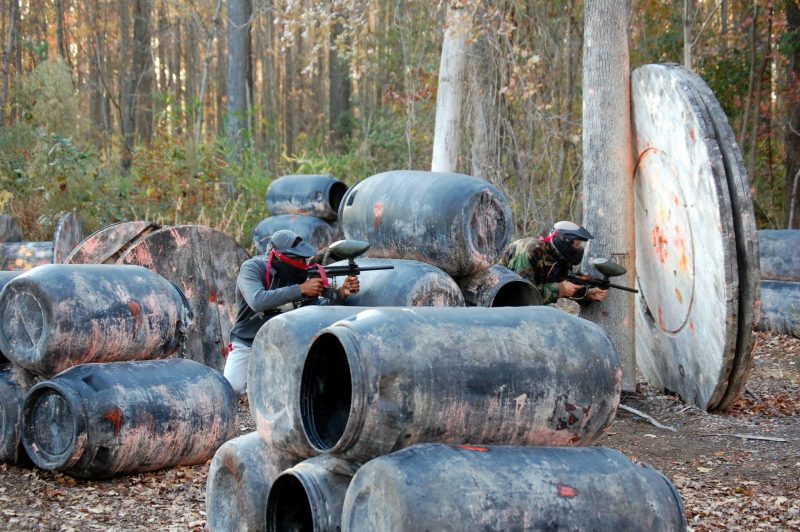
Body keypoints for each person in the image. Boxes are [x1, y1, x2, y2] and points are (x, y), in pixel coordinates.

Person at [223, 229, 359, 395]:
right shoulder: (252, 268)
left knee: (289, 390)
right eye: (298, 259)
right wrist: (301, 289)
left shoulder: (299, 278)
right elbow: (257, 301)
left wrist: (341, 293)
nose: (303, 263)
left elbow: (317, 307)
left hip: (282, 344)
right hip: (247, 341)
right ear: (279, 257)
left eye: (304, 258)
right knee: (232, 387)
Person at [498, 220, 608, 306]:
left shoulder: (558, 258)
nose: (579, 249)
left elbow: (563, 281)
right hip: (497, 303)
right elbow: (523, 298)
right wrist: (559, 290)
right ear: (564, 241)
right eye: (577, 245)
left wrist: (586, 295)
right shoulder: (530, 251)